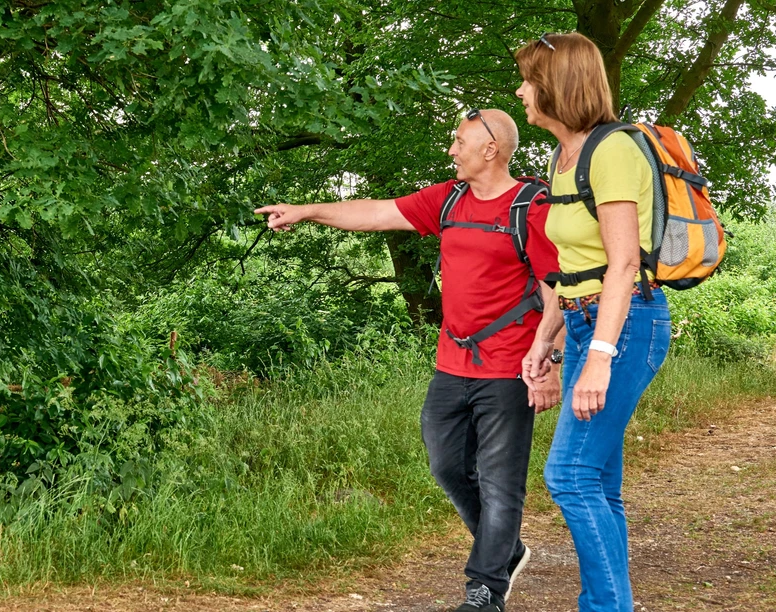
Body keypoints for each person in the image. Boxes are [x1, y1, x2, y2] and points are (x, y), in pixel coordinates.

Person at [256, 109, 560, 612]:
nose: (451, 149)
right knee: (445, 464)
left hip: (509, 365)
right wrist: (307, 210)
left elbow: (558, 291)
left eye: (459, 141)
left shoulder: (532, 208)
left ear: (491, 149)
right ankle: (506, 548)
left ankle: (486, 589)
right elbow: (377, 212)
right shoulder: (449, 198)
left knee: (501, 480)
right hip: (451, 364)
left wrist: (547, 358)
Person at [514, 32, 673, 612]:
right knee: (598, 482)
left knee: (571, 477)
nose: (521, 91)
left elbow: (624, 262)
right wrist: (546, 341)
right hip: (585, 325)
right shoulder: (564, 158)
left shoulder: (612, 151)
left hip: (627, 327)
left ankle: (607, 607)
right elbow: (574, 270)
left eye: (529, 80)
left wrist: (600, 358)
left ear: (557, 85)